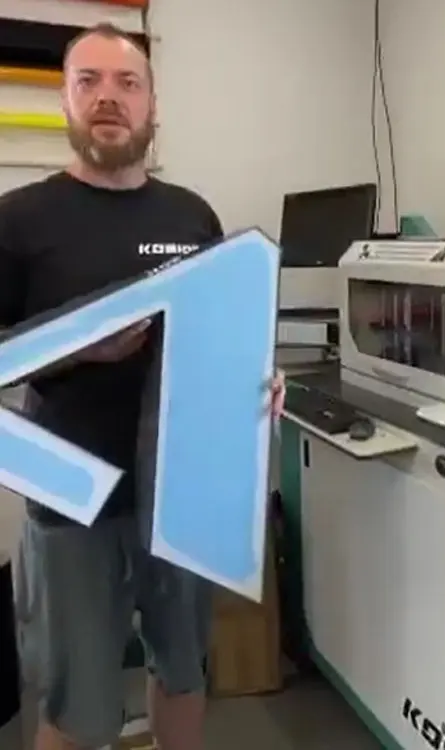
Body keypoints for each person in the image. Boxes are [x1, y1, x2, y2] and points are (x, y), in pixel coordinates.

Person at [0, 22, 285, 750]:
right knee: (77, 708)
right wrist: (75, 351)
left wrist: (256, 379)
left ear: (153, 104)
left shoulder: (191, 215)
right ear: (66, 101)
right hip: (72, 505)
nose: (109, 97)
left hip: (184, 501)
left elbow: (220, 330)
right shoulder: (18, 221)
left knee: (183, 673)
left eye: (127, 83)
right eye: (88, 81)